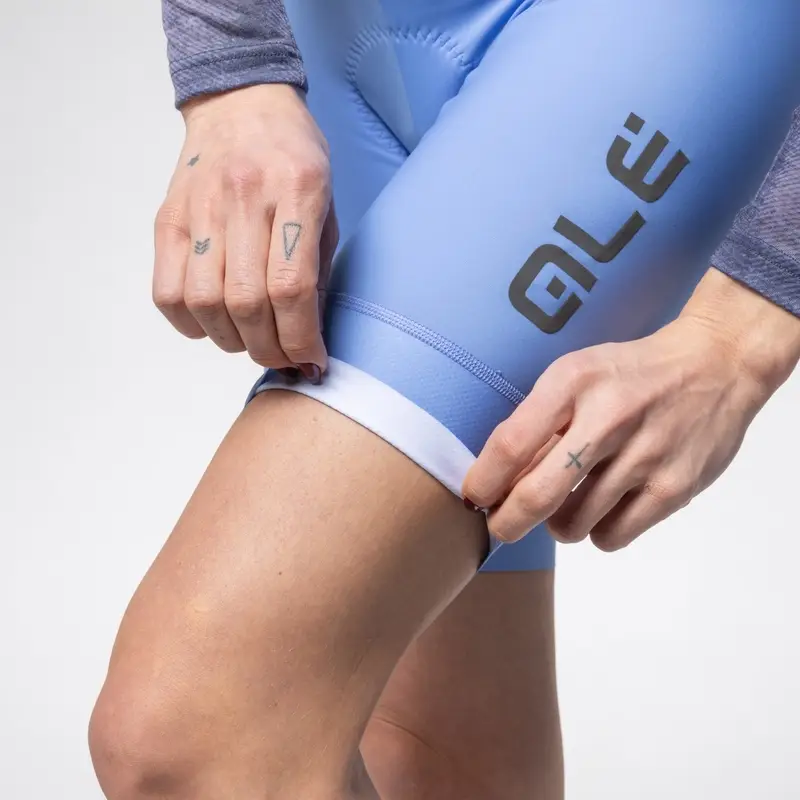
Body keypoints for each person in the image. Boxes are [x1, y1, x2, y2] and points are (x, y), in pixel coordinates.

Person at [88, 1, 800, 798]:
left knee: (202, 731)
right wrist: (233, 77)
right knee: (437, 766)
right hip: (325, 38)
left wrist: (746, 335)